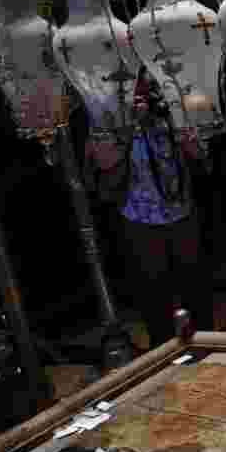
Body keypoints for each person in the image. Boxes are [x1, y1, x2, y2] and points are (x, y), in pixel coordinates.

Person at [87, 68, 213, 348]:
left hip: (181, 210)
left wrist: (181, 125)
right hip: (139, 217)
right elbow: (102, 166)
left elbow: (202, 156)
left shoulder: (174, 108)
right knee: (153, 294)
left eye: (149, 86)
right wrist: (127, 126)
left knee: (196, 288)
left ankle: (209, 346)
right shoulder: (109, 114)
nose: (143, 93)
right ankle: (164, 351)